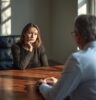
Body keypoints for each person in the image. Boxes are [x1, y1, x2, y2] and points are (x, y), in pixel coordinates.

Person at [37, 15, 96, 100]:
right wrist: (60, 83)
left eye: (74, 33)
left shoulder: (78, 60)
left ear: (78, 34)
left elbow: (54, 97)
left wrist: (41, 85)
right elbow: (88, 86)